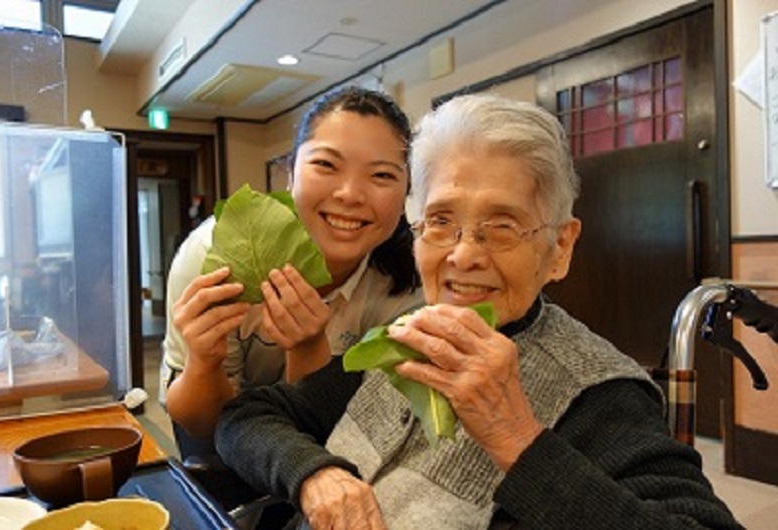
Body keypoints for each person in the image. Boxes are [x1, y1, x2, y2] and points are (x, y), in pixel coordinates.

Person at [215, 94, 742, 529]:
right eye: (441, 221)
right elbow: (247, 418)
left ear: (560, 247)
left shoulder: (601, 393)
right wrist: (316, 474)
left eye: (504, 225)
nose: (463, 254)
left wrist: (516, 438)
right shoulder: (406, 336)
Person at [159, 86, 423, 451]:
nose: (350, 194)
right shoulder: (221, 253)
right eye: (326, 165)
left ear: (408, 190)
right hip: (221, 446)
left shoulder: (408, 284)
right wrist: (205, 361)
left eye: (381, 176)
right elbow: (201, 426)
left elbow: (357, 436)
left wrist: (307, 349)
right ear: (290, 174)